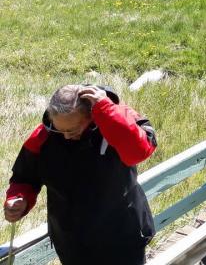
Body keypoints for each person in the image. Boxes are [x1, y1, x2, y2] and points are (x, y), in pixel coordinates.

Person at [4, 85, 157, 265]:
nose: (66, 136)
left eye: (73, 129)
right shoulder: (44, 136)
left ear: (91, 115)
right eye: (60, 130)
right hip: (71, 241)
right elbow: (25, 177)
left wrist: (106, 109)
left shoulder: (118, 116)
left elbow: (138, 152)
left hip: (122, 236)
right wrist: (19, 199)